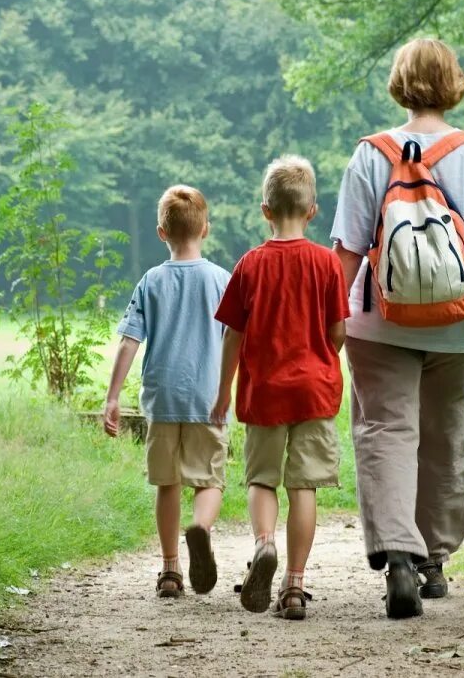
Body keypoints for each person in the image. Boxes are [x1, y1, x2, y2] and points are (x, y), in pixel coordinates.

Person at [331, 38, 464, 619]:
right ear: (453, 83)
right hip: (458, 324)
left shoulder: (371, 153)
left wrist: (331, 319)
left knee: (386, 432)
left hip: (378, 322)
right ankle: (432, 560)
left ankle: (398, 556)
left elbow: (344, 250)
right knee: (443, 436)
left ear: (399, 83)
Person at [211, 155, 349, 621]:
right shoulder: (327, 263)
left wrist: (222, 392)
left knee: (261, 479)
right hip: (314, 391)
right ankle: (293, 585)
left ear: (265, 210)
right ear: (313, 211)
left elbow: (232, 335)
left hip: (264, 391)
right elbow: (337, 333)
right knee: (303, 484)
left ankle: (263, 544)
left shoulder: (249, 265)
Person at [103, 185, 231, 600]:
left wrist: (112, 397)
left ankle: (171, 570)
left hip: (162, 401)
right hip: (208, 400)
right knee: (209, 479)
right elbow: (239, 339)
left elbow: (128, 342)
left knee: (167, 484)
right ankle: (201, 529)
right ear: (205, 229)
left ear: (161, 232)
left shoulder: (151, 281)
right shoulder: (221, 281)